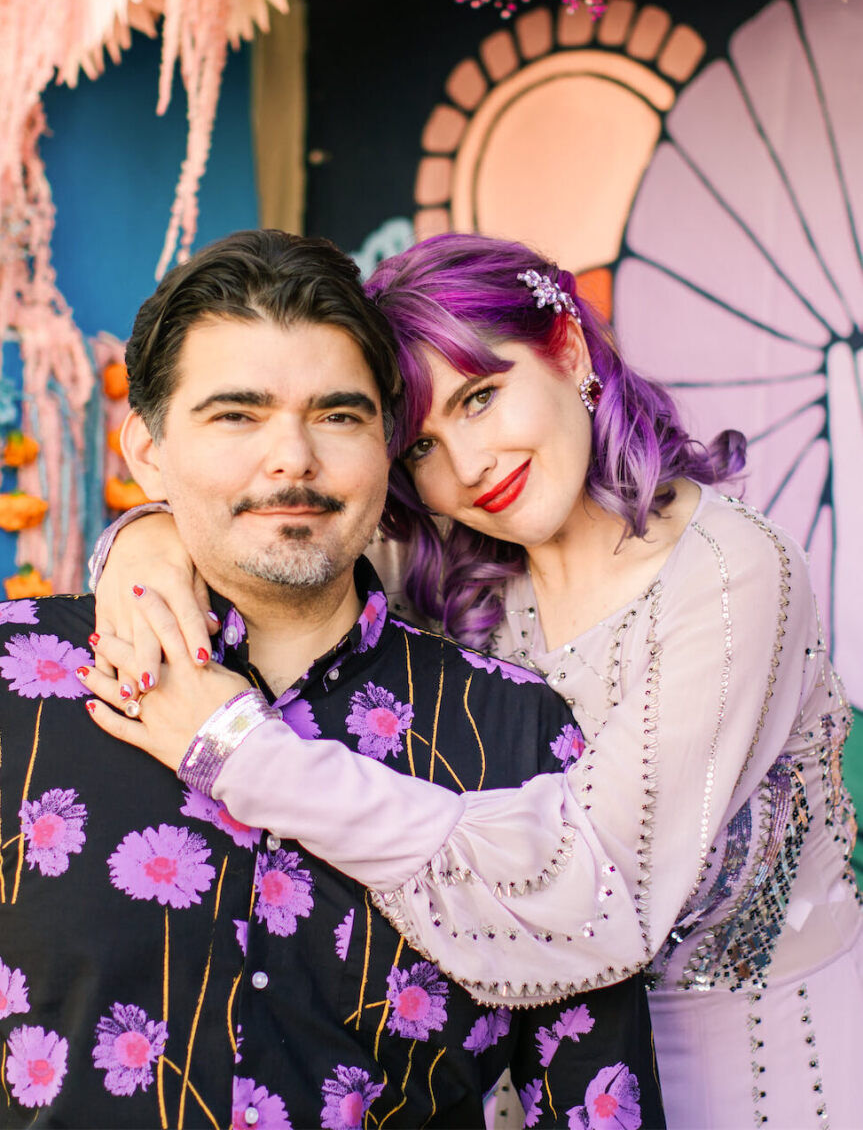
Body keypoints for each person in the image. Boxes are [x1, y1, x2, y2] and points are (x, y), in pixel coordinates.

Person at [89, 233, 862, 1130]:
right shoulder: (447, 561)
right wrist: (144, 544)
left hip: (765, 1073)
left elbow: (593, 894)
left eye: (481, 398)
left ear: (566, 349)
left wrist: (245, 756)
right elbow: (266, 538)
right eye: (420, 444)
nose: (467, 467)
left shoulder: (729, 575)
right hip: (514, 1081)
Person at [0, 229, 664, 1129]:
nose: (293, 458)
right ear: (147, 452)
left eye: (338, 416)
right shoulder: (19, 682)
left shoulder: (516, 734)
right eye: (236, 415)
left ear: (388, 446)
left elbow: (598, 1100)